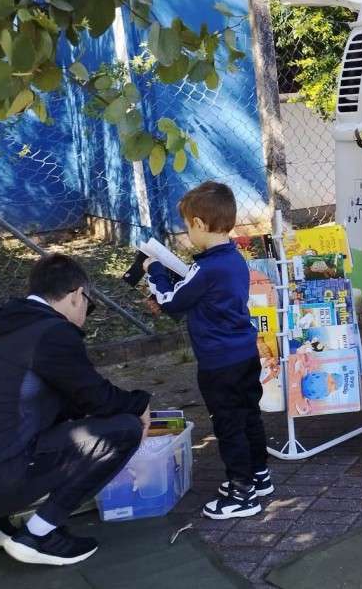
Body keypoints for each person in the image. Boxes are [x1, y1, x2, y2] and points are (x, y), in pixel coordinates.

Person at [0, 254, 151, 566]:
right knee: (125, 428)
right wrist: (141, 403)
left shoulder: (8, 326)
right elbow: (97, 399)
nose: (86, 312)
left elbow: (65, 398)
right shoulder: (51, 333)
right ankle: (38, 534)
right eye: (88, 303)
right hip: (1, 476)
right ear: (75, 295)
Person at [145, 181, 271, 520]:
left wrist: (153, 270)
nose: (187, 234)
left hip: (218, 363)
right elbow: (200, 298)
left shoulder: (205, 268)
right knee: (248, 415)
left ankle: (242, 494)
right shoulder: (233, 260)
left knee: (228, 423)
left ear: (200, 224)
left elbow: (172, 302)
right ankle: (259, 475)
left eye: (188, 226)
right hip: (244, 354)